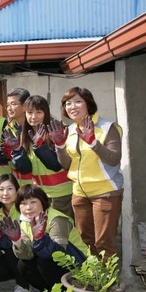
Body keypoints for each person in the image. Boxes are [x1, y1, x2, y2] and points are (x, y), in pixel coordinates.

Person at [48, 87, 123, 259]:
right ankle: (93, 278)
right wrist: (59, 146)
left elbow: (114, 159)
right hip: (79, 193)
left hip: (105, 192)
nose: (72, 107)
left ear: (88, 104)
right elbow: (66, 164)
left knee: (103, 242)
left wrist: (93, 142)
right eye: (68, 103)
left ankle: (108, 282)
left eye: (78, 101)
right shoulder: (71, 130)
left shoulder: (107, 127)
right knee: (85, 240)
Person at [1, 184, 87, 292]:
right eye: (23, 203)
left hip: (77, 264)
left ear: (43, 202)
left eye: (33, 202)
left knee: (44, 261)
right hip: (52, 262)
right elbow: (27, 255)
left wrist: (40, 239)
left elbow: (59, 253)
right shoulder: (24, 222)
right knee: (23, 265)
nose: (28, 207)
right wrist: (17, 240)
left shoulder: (57, 219)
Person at [10, 95, 74, 218]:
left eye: (38, 112)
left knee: (62, 231)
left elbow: (56, 165)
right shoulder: (24, 134)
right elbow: (26, 168)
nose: (33, 117)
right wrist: (17, 151)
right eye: (29, 112)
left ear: (46, 113)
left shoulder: (56, 131)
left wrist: (40, 146)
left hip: (61, 194)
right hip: (39, 194)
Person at [0, 174, 32, 292]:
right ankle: (25, 279)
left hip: (31, 251)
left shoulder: (24, 208)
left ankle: (23, 288)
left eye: (10, 188)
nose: (5, 193)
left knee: (12, 245)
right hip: (16, 253)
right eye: (1, 189)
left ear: (17, 190)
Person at [4, 88, 33, 186]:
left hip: (36, 184)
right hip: (18, 184)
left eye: (13, 104)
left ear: (25, 105)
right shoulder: (8, 127)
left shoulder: (35, 126)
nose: (9, 108)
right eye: (8, 105)